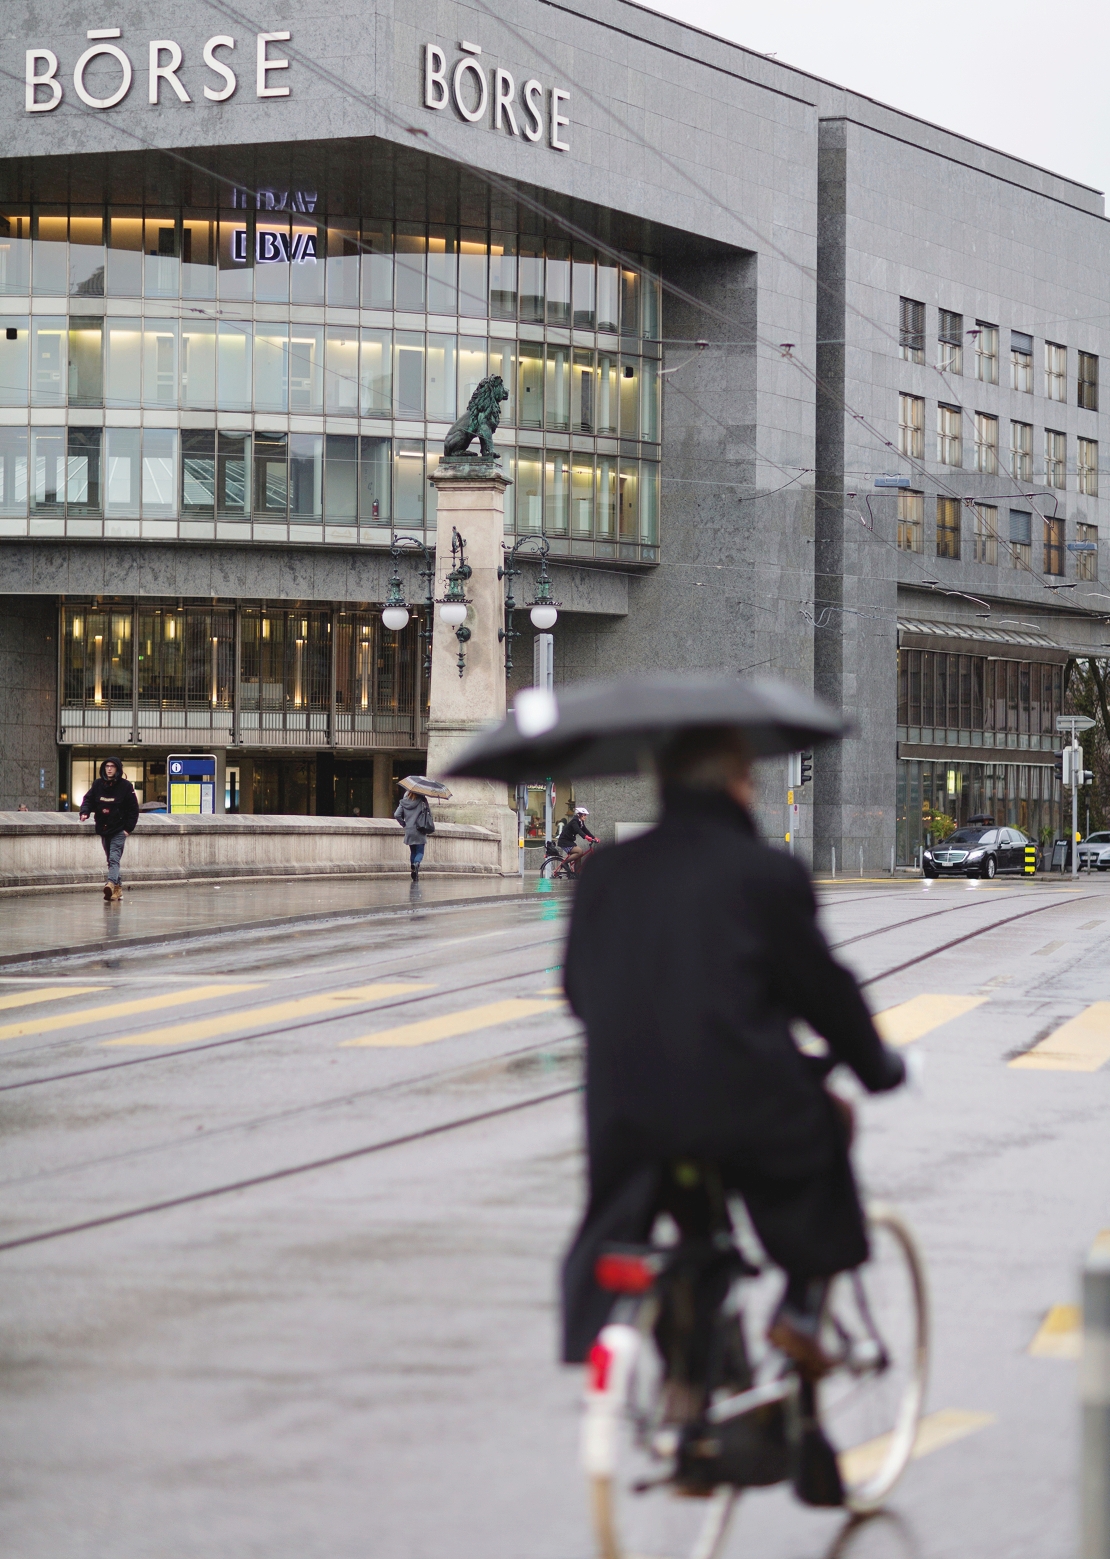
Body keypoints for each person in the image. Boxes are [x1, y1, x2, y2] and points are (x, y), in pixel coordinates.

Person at [560, 725, 905, 1380]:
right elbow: (824, 994)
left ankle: (694, 1385)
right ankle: (802, 1309)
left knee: (685, 1210)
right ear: (739, 785)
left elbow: (578, 992)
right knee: (827, 1123)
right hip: (740, 1108)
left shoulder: (606, 871)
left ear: (664, 787)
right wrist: (877, 1067)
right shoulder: (766, 874)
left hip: (625, 1116)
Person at [79, 757, 139, 903]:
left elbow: (133, 809)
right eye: (107, 766)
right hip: (104, 828)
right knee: (111, 860)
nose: (109, 769)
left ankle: (110, 883)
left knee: (114, 858)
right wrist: (84, 812)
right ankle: (117, 890)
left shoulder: (125, 786)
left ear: (118, 769)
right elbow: (88, 799)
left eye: (112, 766)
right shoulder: (98, 784)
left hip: (119, 829)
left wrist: (127, 829)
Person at [394, 788, 435, 882]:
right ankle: (416, 864)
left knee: (413, 851)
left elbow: (397, 814)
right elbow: (428, 813)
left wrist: (403, 823)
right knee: (420, 852)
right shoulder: (422, 800)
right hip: (420, 828)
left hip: (409, 830)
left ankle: (413, 870)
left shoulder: (403, 802)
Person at [556, 805, 598, 871]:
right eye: (584, 815)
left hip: (569, 841)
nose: (585, 817)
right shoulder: (574, 821)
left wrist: (594, 837)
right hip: (564, 841)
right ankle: (564, 863)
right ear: (579, 814)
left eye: (586, 815)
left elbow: (585, 830)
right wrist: (586, 837)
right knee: (579, 852)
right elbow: (578, 830)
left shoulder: (580, 822)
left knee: (578, 857)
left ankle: (576, 874)